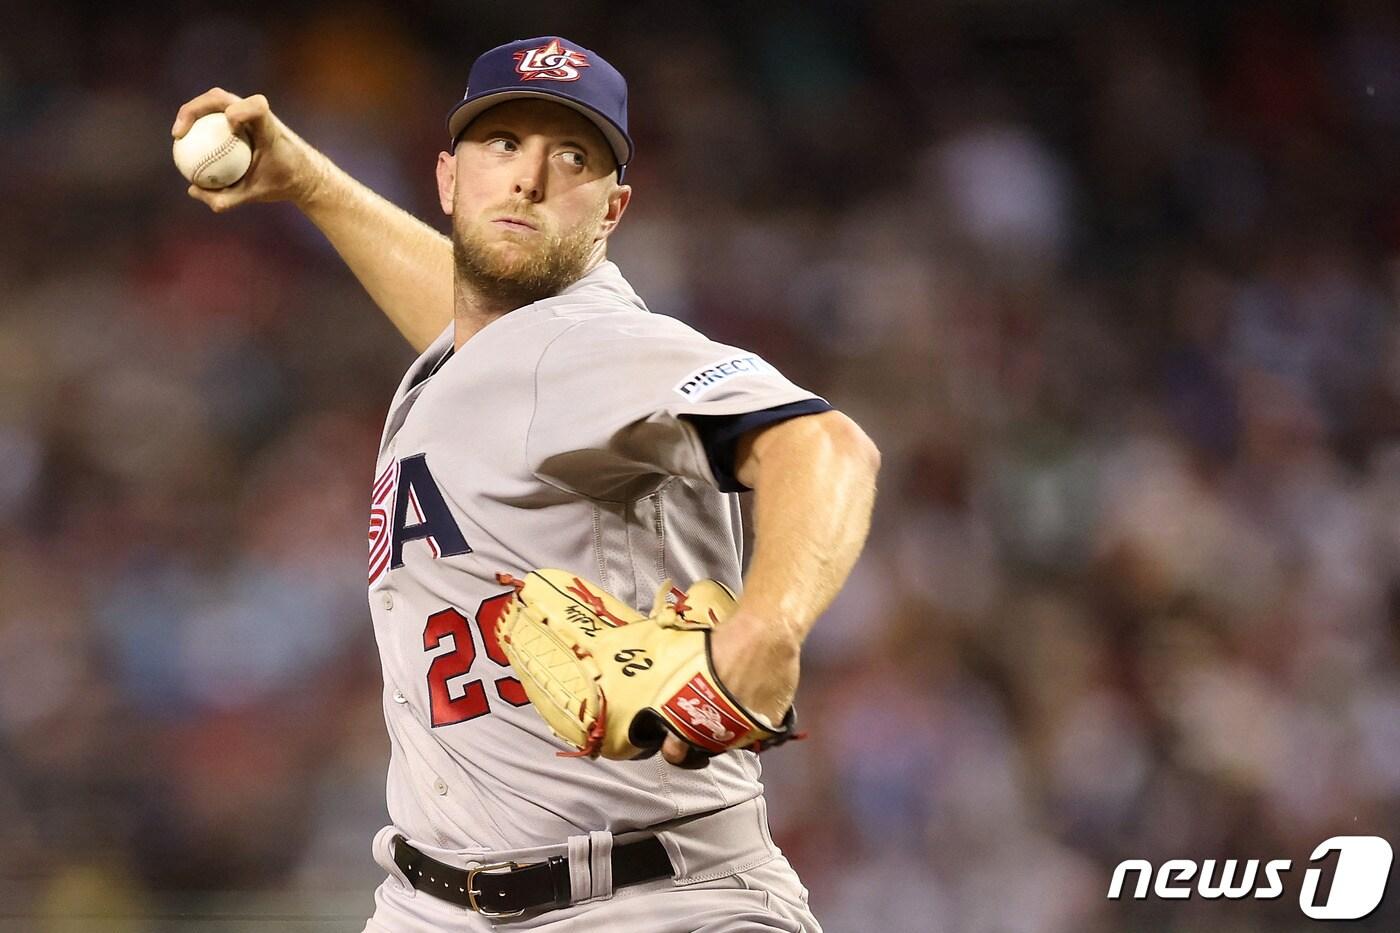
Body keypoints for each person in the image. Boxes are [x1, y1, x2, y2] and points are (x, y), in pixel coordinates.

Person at [173, 36, 879, 932]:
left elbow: (825, 444)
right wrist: (311, 182)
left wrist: (770, 624)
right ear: (447, 178)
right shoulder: (496, 354)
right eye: (503, 144)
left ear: (613, 209)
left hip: (654, 903)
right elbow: (483, 333)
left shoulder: (601, 344)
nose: (529, 179)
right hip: (429, 905)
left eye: (572, 157)